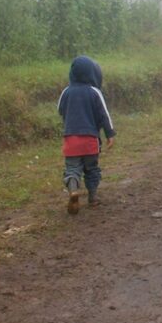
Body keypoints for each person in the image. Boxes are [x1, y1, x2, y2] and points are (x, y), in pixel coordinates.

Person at [57, 55, 116, 215]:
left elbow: (60, 110)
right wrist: (110, 134)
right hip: (90, 139)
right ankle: (93, 197)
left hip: (71, 139)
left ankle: (74, 191)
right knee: (92, 169)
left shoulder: (66, 92)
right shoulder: (94, 92)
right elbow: (104, 115)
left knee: (72, 169)